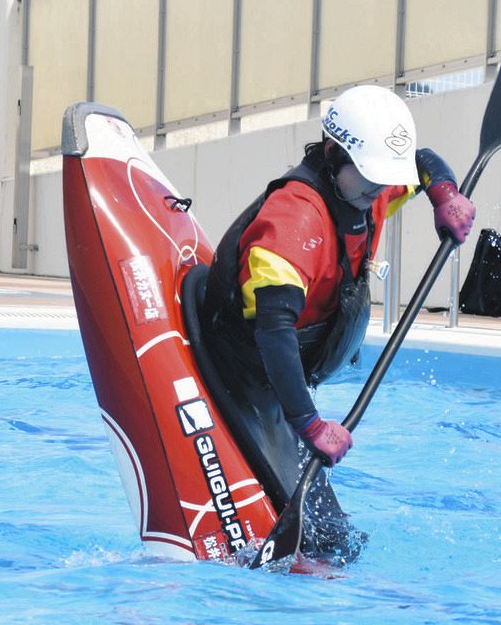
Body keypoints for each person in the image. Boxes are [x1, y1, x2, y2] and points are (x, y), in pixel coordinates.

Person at [201, 85, 475, 558]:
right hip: (244, 372)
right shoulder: (294, 221)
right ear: (333, 153)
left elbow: (424, 161)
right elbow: (274, 333)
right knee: (316, 548)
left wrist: (444, 194)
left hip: (283, 383)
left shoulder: (368, 187)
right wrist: (309, 424)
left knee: (337, 545)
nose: (379, 191)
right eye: (370, 178)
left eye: (384, 180)